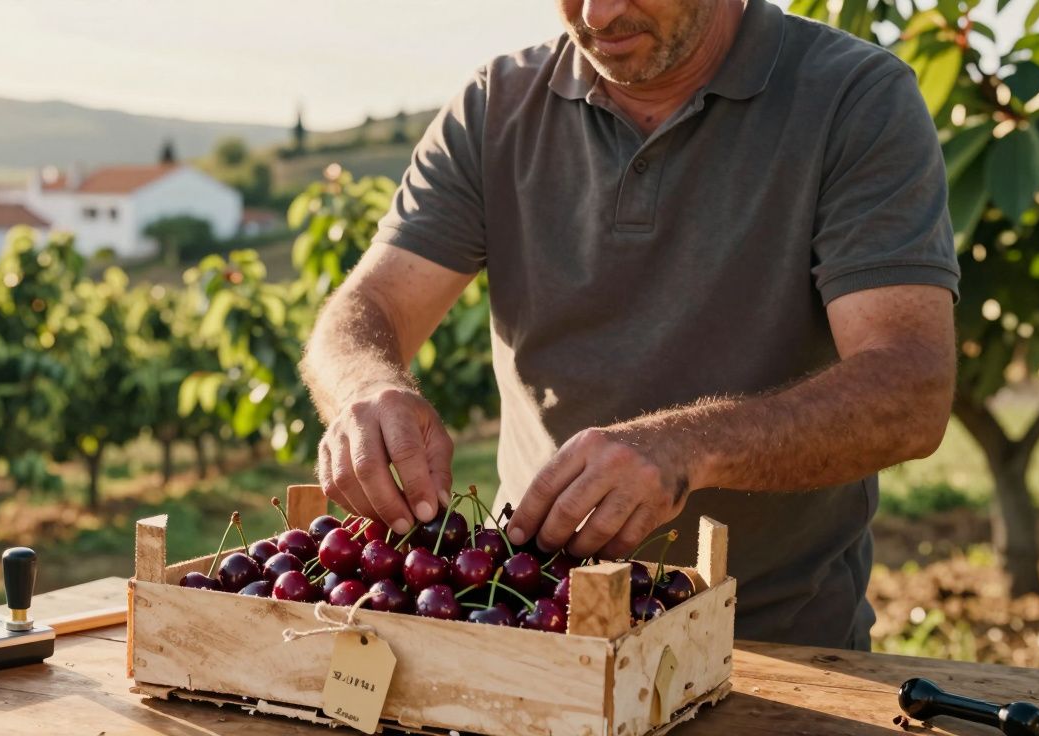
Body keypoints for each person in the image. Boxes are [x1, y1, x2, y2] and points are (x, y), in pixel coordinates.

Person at [299, 0, 959, 649]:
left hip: (771, 646)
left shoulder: (854, 98)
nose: (597, 14)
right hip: (529, 628)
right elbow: (367, 308)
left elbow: (911, 387)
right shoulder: (495, 106)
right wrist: (363, 387)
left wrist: (687, 447)